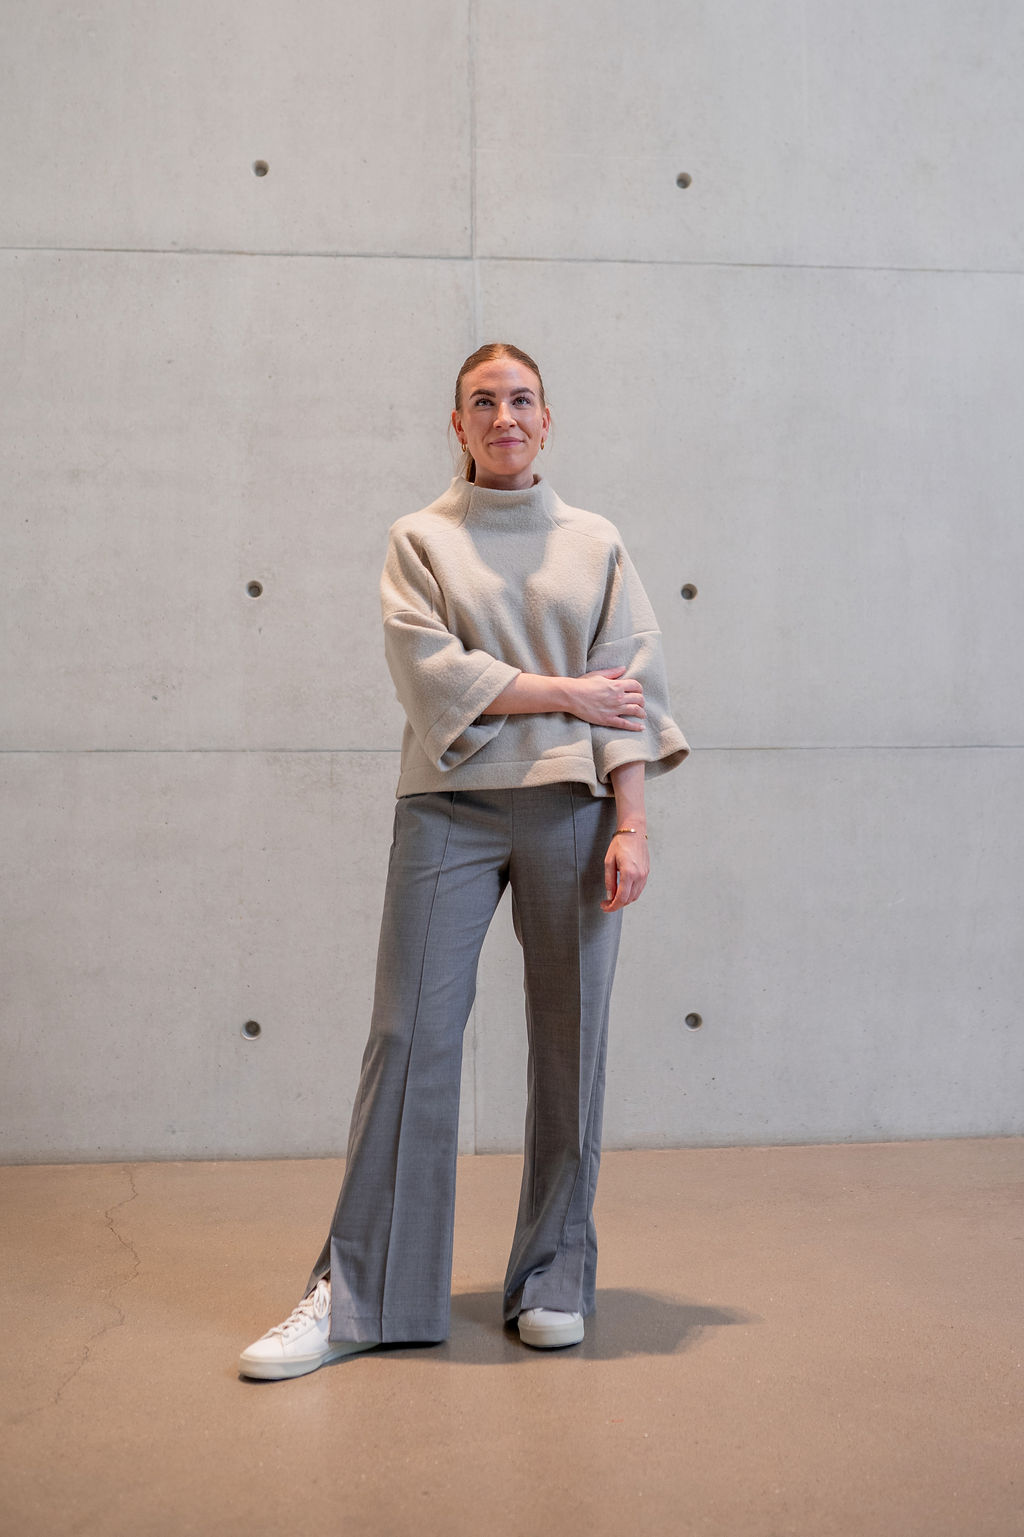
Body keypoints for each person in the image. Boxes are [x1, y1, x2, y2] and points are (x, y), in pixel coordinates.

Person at [238, 342, 689, 1379]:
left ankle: (554, 1276)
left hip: (574, 808)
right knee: (407, 1035)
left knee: (572, 1042)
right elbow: (432, 672)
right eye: (482, 401)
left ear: (547, 418)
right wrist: (565, 693)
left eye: (521, 398)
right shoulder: (421, 539)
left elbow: (628, 692)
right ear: (457, 424)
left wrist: (632, 823)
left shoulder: (594, 541)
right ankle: (361, 1296)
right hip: (448, 806)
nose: (504, 416)